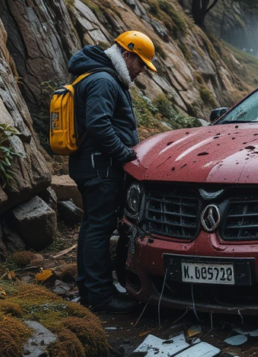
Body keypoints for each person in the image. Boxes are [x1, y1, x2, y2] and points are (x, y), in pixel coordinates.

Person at [67, 30, 157, 313]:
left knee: (92, 226)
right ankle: (102, 297)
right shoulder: (104, 80)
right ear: (127, 54)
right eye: (141, 63)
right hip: (101, 167)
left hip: (92, 164)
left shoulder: (97, 75)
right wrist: (125, 155)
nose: (142, 70)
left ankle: (90, 291)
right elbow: (98, 125)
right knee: (99, 229)